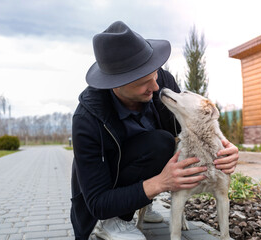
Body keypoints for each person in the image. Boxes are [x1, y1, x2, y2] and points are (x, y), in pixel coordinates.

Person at [70, 21, 239, 240]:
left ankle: (142, 203)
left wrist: (228, 148)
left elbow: (192, 123)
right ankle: (114, 221)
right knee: (159, 142)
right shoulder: (87, 119)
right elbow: (97, 202)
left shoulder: (160, 80)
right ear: (115, 84)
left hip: (144, 159)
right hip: (108, 187)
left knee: (163, 141)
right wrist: (160, 183)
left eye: (154, 75)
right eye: (143, 82)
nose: (156, 87)